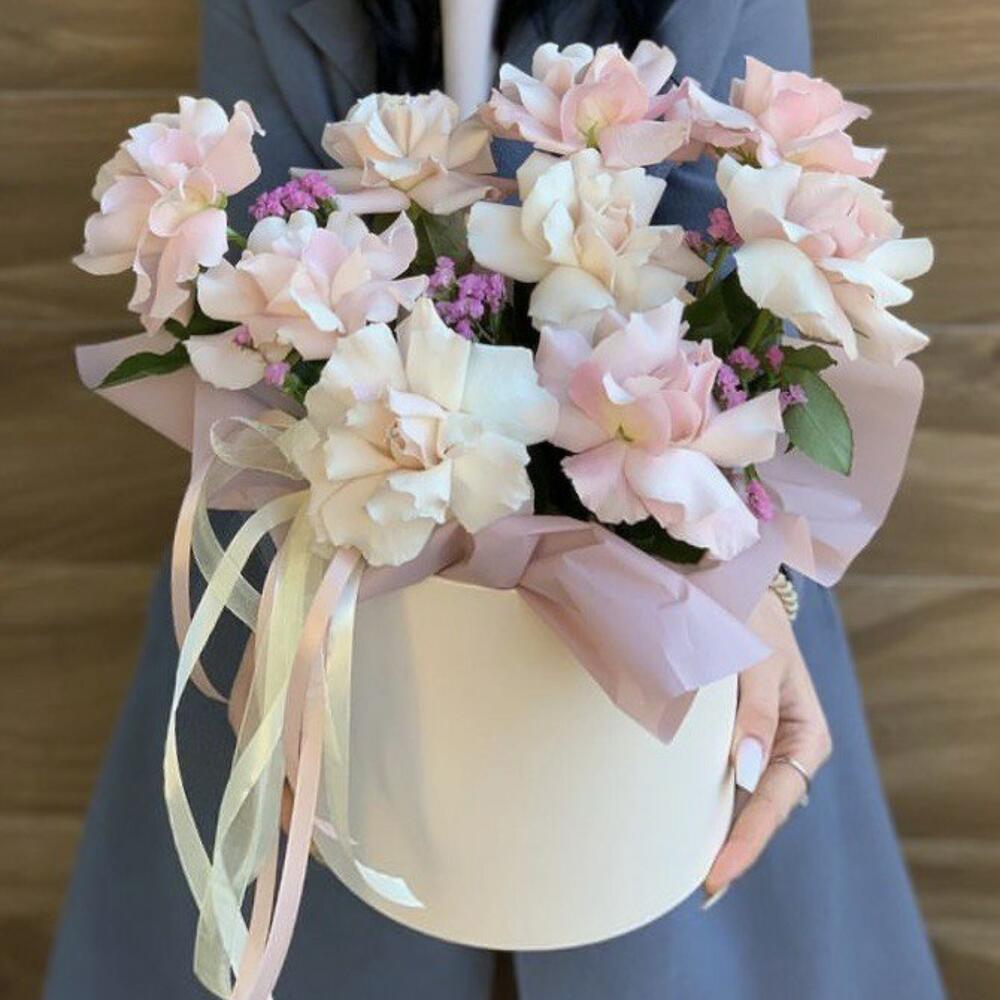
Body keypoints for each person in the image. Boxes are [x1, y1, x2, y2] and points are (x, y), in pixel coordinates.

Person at [45, 1, 947, 997]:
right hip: (339, 560)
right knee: (315, 875)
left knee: (672, 914)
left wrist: (754, 588)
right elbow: (255, 304)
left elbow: (745, 317)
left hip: (678, 578)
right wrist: (293, 593)